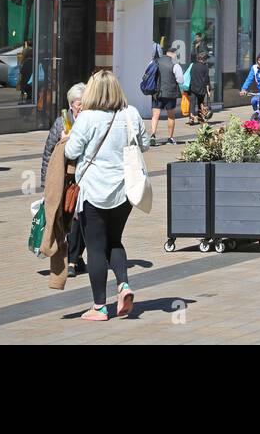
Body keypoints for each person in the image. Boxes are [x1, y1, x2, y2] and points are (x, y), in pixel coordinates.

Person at [63, 70, 147, 321]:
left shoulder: (87, 118)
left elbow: (71, 150)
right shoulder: (130, 113)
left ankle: (100, 307)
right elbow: (144, 144)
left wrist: (67, 136)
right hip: (125, 191)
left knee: (96, 249)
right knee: (115, 240)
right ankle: (124, 285)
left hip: (94, 192)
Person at [42, 82, 87, 277]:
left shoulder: (90, 120)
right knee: (69, 217)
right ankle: (73, 258)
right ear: (71, 104)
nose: (82, 106)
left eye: (84, 102)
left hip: (85, 178)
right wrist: (46, 183)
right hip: (65, 178)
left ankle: (74, 259)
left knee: (81, 217)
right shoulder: (62, 122)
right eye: (78, 103)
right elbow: (48, 152)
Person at [149, 45, 184, 147]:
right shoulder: (175, 64)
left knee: (155, 116)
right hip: (170, 93)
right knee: (171, 117)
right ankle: (170, 138)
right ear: (173, 54)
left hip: (157, 93)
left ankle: (153, 136)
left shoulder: (155, 61)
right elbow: (180, 80)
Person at [183, 51, 211, 124]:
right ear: (204, 59)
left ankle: (191, 119)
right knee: (200, 103)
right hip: (202, 88)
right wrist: (208, 91)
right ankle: (200, 119)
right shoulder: (205, 67)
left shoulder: (193, 65)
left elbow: (190, 76)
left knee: (192, 103)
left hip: (193, 87)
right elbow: (207, 80)